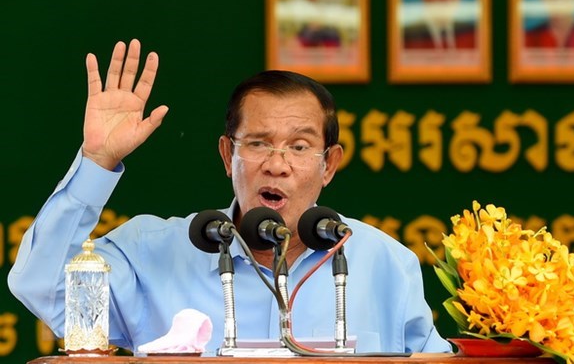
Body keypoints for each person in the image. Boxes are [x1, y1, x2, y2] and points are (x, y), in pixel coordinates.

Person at [8, 39, 452, 355]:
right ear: (228, 155)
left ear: (329, 164)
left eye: (298, 148)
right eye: (257, 143)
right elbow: (41, 285)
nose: (277, 164)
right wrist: (97, 161)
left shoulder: (384, 263)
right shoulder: (153, 252)